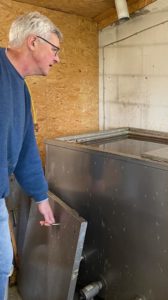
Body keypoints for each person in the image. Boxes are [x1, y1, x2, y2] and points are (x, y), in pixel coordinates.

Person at [0, 11, 63, 299]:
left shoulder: (22, 91)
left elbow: (26, 150)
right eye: (55, 49)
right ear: (33, 42)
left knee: (3, 266)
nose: (57, 58)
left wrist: (41, 198)